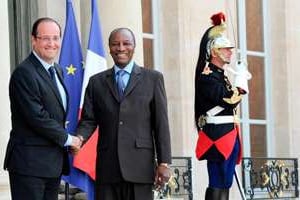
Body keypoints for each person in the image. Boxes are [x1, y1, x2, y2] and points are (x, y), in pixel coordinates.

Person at [75, 27, 172, 200]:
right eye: (115, 44)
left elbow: (161, 124)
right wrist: (79, 139)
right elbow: (89, 120)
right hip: (108, 168)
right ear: (109, 48)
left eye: (126, 43)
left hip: (140, 168)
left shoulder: (153, 79)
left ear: (134, 46)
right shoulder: (96, 82)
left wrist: (164, 162)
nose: (121, 48)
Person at [3, 17, 82, 200]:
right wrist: (69, 140)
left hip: (51, 164)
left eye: (56, 38)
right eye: (46, 38)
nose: (52, 43)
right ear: (34, 40)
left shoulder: (58, 70)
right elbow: (37, 117)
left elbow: (56, 115)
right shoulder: (24, 73)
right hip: (29, 165)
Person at [194, 12, 251, 200]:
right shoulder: (207, 75)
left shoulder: (220, 75)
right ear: (214, 51)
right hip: (218, 136)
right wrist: (241, 80)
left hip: (228, 133)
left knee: (225, 183)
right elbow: (229, 98)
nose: (230, 52)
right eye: (226, 49)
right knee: (218, 183)